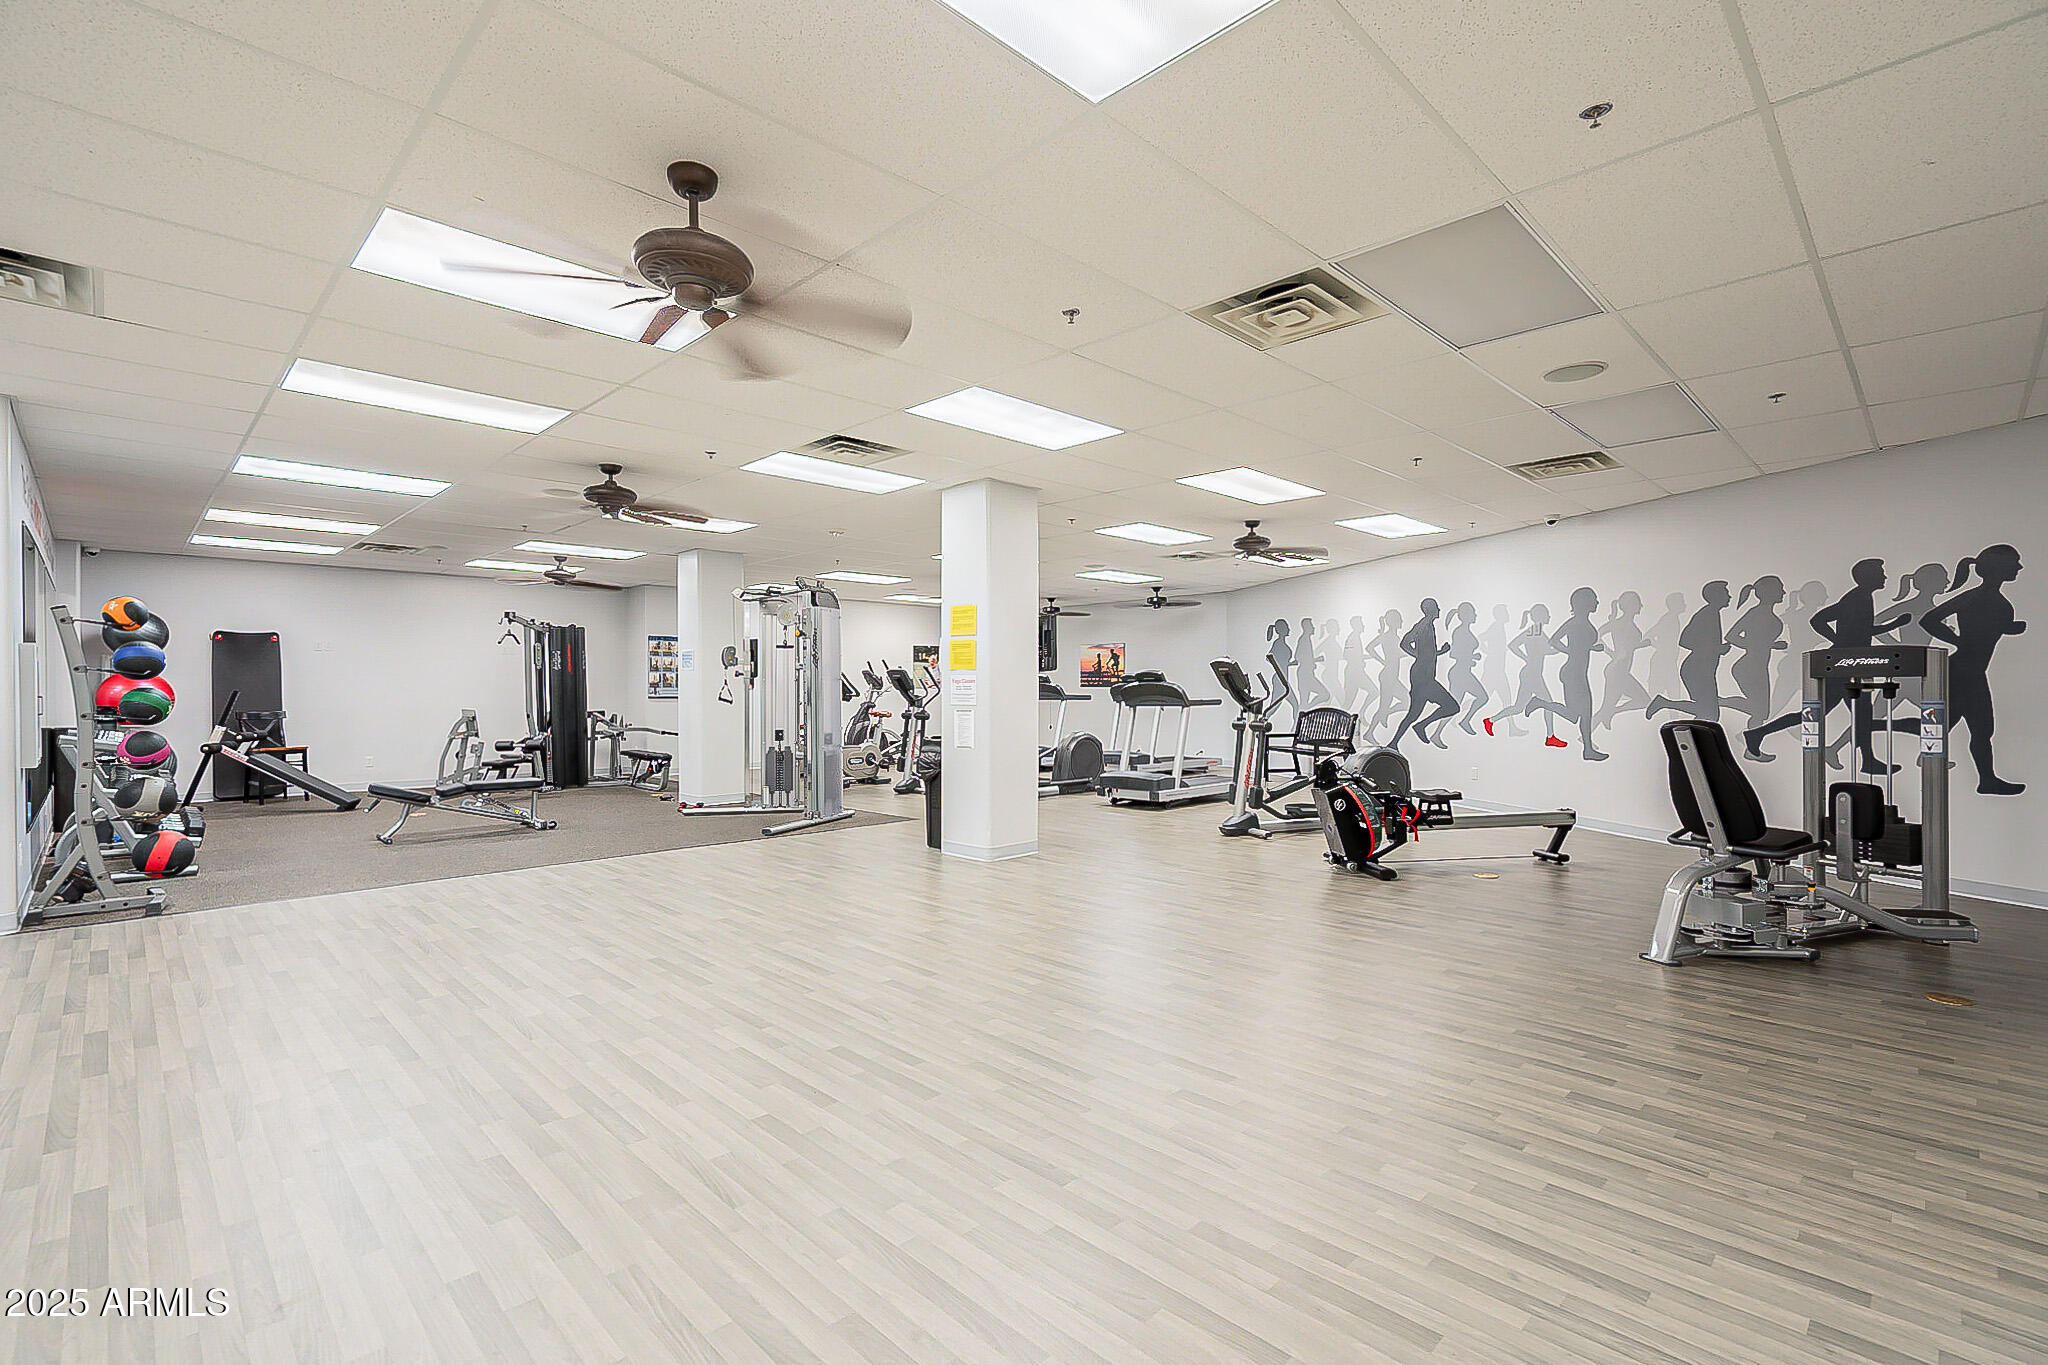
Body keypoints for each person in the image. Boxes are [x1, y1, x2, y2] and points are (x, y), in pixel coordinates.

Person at [1921, 544, 2026, 795]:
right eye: (2014, 563)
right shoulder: (1977, 597)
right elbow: (1929, 620)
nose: (2019, 567)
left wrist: (2007, 628)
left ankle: (1986, 780)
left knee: (1966, 728)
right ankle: (1986, 780)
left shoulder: (1993, 600)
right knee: (1966, 728)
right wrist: (1958, 641)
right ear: (1998, 567)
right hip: (1964, 672)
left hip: (1971, 671)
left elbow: (1984, 630)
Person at [1524, 587, 1609, 760]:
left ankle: (1588, 750)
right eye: (1593, 599)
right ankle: (1539, 702)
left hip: (1578, 673)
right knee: (1576, 715)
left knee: (1583, 715)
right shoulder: (1574, 622)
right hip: (1572, 673)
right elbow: (1554, 640)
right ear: (1584, 602)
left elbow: (1580, 645)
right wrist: (1570, 651)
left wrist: (1590, 648)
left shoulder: (1583, 622)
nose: (1597, 602)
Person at [1648, 582, 1732, 725]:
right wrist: (1715, 649)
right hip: (1698, 670)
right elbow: (1685, 640)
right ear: (1716, 596)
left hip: (1702, 669)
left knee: (1708, 713)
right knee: (1710, 713)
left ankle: (1667, 706)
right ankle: (1664, 703)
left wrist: (1716, 648)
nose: (1729, 596)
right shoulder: (1706, 614)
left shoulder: (1712, 613)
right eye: (1726, 593)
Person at [1390, 599, 1460, 749]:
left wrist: (1440, 652)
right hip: (1423, 677)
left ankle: (1394, 743)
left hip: (1424, 676)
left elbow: (1426, 652)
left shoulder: (1428, 625)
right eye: (1436, 607)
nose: (1439, 610)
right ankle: (1421, 726)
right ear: (1430, 609)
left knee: (1413, 714)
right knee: (1452, 706)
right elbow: (1404, 643)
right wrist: (1419, 656)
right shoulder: (1424, 624)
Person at [1724, 576, 1788, 738]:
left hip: (1758, 667)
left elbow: (1759, 641)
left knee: (1761, 713)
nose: (1784, 592)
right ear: (1769, 592)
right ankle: (1717, 701)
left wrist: (1770, 645)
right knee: (1759, 711)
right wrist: (1767, 645)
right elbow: (1731, 636)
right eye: (1780, 589)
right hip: (1749, 667)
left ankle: (1750, 744)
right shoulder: (1756, 613)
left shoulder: (1765, 614)